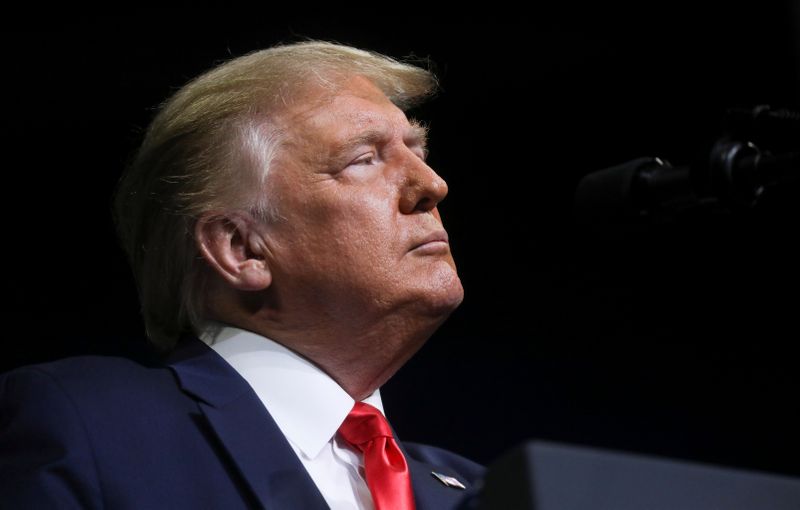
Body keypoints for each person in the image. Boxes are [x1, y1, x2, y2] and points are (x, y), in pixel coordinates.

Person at [0, 41, 483, 509]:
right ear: (242, 248)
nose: (432, 185)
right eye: (363, 159)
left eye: (417, 152)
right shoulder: (93, 426)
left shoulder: (479, 491)